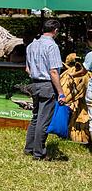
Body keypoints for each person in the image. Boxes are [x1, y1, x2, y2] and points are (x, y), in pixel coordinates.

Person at [24, 19, 65, 161]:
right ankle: (39, 153)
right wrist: (60, 92)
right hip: (47, 85)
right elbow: (54, 72)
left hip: (34, 84)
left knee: (35, 117)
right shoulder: (52, 46)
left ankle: (29, 148)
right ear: (55, 31)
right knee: (43, 120)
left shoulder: (31, 45)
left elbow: (27, 69)